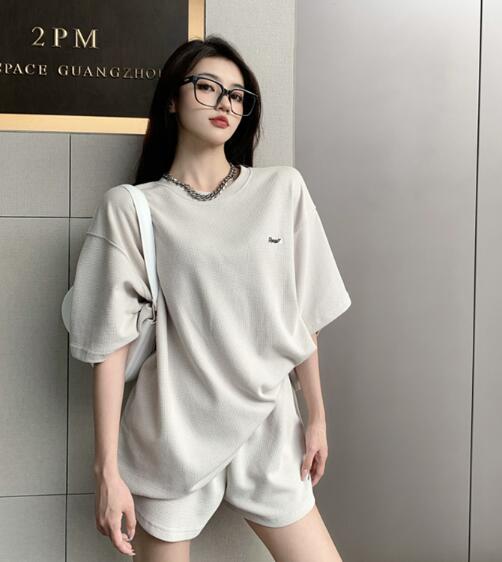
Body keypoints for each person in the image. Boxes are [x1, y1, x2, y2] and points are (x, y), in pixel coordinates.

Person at [69, 34, 351, 562]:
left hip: (270, 425)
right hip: (173, 432)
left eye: (238, 95)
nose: (225, 103)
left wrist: (316, 416)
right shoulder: (132, 208)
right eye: (207, 87)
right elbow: (110, 345)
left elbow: (302, 312)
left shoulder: (282, 190)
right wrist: (107, 470)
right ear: (172, 100)